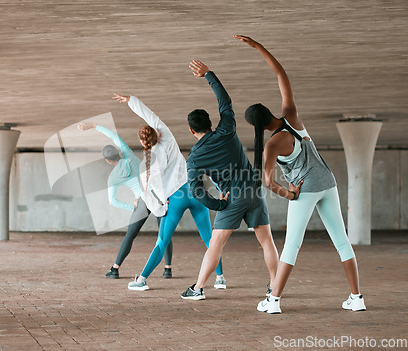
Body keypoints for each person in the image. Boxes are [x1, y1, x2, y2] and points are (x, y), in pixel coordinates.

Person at [236, 34, 365, 314]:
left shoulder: (270, 145)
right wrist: (258, 47)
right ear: (269, 112)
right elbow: (281, 74)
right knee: (341, 241)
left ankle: (274, 301)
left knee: (292, 246)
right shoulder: (292, 117)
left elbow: (268, 182)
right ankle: (357, 298)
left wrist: (289, 193)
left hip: (304, 190)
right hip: (328, 182)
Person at [180, 60, 279, 301]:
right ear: (211, 123)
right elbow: (225, 102)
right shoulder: (227, 129)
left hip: (231, 198)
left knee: (216, 244)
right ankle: (275, 286)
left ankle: (198, 288)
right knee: (266, 241)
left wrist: (219, 204)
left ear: (192, 131)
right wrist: (208, 75)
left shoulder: (195, 157)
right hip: (254, 190)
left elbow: (197, 191)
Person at [112, 93, 226, 292]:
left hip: (176, 198)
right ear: (157, 133)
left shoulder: (149, 163)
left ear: (143, 142)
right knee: (209, 238)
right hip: (196, 192)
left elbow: (154, 191)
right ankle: (220, 278)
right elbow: (149, 115)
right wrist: (131, 100)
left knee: (162, 241)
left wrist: (162, 206)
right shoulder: (167, 135)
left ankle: (142, 280)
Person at [77, 122, 173, 279]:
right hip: (157, 196)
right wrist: (94, 125)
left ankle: (115, 269)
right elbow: (114, 136)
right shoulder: (128, 155)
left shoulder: (113, 178)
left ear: (107, 160)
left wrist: (132, 207)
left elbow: (113, 201)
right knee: (164, 233)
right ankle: (167, 269)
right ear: (118, 153)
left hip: (141, 200)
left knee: (130, 235)